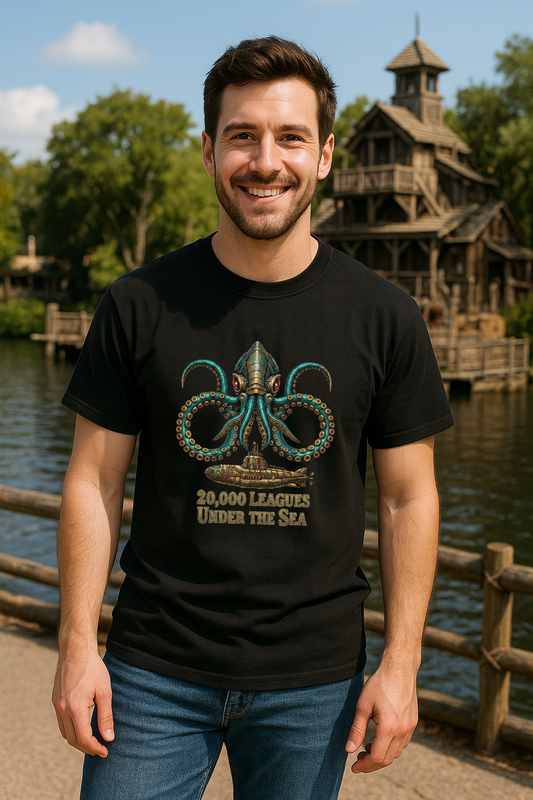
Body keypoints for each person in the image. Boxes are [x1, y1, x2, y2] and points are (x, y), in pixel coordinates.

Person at [52, 36, 453, 800]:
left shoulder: (385, 317)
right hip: (151, 671)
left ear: (325, 154)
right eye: (242, 136)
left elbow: (409, 498)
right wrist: (77, 646)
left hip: (314, 681)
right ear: (208, 151)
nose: (264, 161)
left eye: (289, 137)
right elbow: (93, 481)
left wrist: (400, 665)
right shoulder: (138, 305)